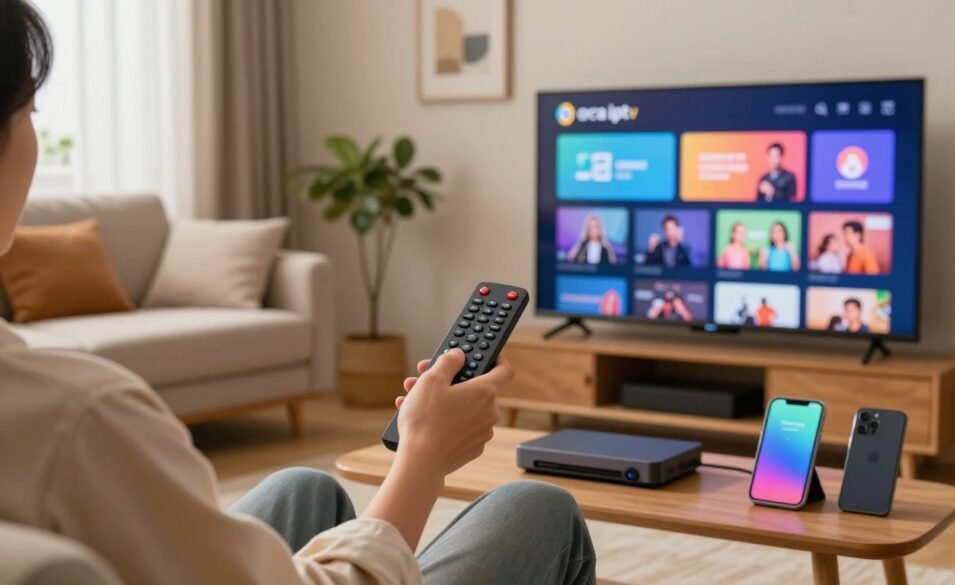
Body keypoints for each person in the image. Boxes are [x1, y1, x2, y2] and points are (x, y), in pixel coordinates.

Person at [0, 3, 596, 585]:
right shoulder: (80, 419)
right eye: (30, 110)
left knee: (303, 487)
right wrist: (424, 456)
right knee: (538, 509)